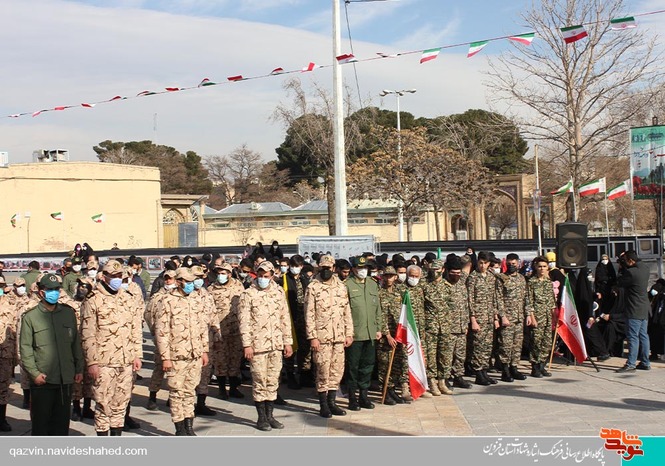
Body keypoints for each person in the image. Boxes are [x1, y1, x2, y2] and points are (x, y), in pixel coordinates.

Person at [80, 260, 143, 436]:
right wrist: (92, 362)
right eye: (113, 276)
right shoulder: (93, 299)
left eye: (119, 276)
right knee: (103, 404)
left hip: (126, 360)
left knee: (120, 404)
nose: (117, 279)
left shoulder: (128, 298)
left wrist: (137, 355)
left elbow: (135, 329)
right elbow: (87, 334)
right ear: (104, 277)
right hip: (104, 362)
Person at [18, 274, 84, 435]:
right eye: (50, 290)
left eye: (56, 289)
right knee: (41, 426)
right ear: (41, 292)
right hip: (43, 380)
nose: (54, 292)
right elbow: (25, 349)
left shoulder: (68, 313)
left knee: (61, 426)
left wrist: (79, 369)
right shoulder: (31, 317)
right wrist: (34, 373)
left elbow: (75, 343)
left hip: (65, 379)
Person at [239, 261, 293, 431]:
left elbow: (285, 318)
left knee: (273, 380)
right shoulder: (248, 294)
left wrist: (288, 342)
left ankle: (270, 415)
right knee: (259, 380)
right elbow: (244, 322)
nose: (263, 278)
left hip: (275, 344)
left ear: (272, 276)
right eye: (260, 275)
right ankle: (261, 417)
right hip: (257, 346)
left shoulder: (278, 292)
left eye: (266, 276)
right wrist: (247, 345)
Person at [155, 267, 209, 435]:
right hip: (176, 355)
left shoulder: (196, 299)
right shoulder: (167, 301)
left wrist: (204, 350)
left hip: (194, 354)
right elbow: (162, 331)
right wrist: (165, 357)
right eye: (188, 281)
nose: (192, 284)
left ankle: (189, 426)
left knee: (190, 391)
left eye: (193, 281)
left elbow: (202, 327)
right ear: (179, 282)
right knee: (177, 392)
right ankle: (179, 429)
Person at [305, 255, 353, 417]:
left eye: (329, 268)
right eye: (323, 268)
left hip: (338, 336)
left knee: (337, 371)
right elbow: (309, 314)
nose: (326, 270)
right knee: (322, 370)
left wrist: (349, 333)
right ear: (319, 268)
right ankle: (323, 404)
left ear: (334, 268)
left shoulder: (341, 287)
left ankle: (332, 403)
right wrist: (312, 337)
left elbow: (346, 311)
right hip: (321, 338)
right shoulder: (313, 287)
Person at [345, 256, 382, 410]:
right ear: (353, 269)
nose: (363, 270)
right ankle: (352, 397)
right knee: (353, 367)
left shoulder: (373, 284)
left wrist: (378, 328)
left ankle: (364, 396)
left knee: (367, 366)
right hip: (355, 334)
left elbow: (377, 308)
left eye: (365, 268)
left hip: (370, 333)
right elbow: (344, 311)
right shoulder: (347, 285)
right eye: (360, 268)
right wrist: (347, 332)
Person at [208, 260, 246, 400]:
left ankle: (234, 388)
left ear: (229, 274)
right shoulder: (211, 289)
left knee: (235, 360)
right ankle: (222, 389)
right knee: (220, 361)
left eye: (223, 273)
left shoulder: (238, 286)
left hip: (236, 331)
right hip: (220, 332)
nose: (220, 275)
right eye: (218, 273)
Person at [467, 251, 502, 386]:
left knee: (487, 346)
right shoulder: (473, 277)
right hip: (478, 317)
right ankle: (478, 372)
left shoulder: (491, 277)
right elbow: (470, 299)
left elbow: (494, 298)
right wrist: (473, 319)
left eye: (485, 263)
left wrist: (495, 317)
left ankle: (485, 371)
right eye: (480, 263)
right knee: (478, 346)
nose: (483, 266)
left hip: (489, 317)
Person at [278, 254, 312, 389]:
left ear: (301, 266)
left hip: (303, 319)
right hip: (290, 319)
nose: (294, 268)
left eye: (297, 266)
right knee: (290, 349)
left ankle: (304, 375)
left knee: (305, 349)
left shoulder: (305, 280)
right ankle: (290, 375)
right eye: (292, 266)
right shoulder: (283, 280)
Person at [377, 266, 410, 404]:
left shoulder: (399, 293)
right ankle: (385, 392)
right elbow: (379, 316)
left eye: (391, 276)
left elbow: (403, 314)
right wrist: (387, 335)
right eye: (386, 275)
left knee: (397, 364)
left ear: (395, 277)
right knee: (384, 365)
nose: (389, 278)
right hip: (386, 338)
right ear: (382, 277)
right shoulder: (379, 293)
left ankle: (392, 390)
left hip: (398, 335)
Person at [615, 251, 652, 372]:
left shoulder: (631, 272)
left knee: (633, 337)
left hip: (634, 309)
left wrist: (621, 268)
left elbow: (620, 282)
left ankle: (631, 364)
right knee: (643, 335)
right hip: (644, 308)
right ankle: (645, 362)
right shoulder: (645, 268)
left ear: (630, 261)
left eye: (625, 260)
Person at [496, 253, 529, 383]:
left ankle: (514, 367)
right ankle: (505, 370)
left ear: (518, 263)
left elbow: (526, 298)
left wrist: (528, 314)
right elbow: (498, 299)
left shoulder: (521, 278)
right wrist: (502, 316)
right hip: (508, 318)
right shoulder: (502, 278)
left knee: (517, 345)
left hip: (519, 318)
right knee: (506, 345)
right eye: (509, 264)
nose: (511, 266)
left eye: (514, 264)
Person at [424, 259, 453, 395]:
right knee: (431, 356)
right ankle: (432, 382)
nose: (435, 272)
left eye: (437, 269)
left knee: (444, 355)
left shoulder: (447, 286)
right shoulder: (425, 285)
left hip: (445, 326)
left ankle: (442, 381)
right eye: (433, 269)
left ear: (443, 270)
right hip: (430, 327)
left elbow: (452, 307)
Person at [526, 256, 557, 377]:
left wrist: (554, 316)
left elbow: (552, 301)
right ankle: (535, 367)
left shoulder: (548, 282)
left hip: (548, 316)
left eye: (544, 266)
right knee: (536, 342)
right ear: (535, 267)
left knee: (547, 342)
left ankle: (542, 365)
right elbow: (529, 301)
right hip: (537, 316)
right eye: (540, 266)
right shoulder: (531, 282)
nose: (542, 269)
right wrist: (532, 317)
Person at [0, 276, 18, 431]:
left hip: (6, 353)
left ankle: (2, 419)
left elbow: (15, 329)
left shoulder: (11, 305)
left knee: (3, 387)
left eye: (1, 285)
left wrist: (15, 355)